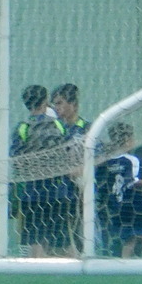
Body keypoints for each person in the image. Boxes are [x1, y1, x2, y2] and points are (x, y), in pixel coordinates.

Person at [9, 84, 66, 257]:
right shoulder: (58, 124)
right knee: (56, 238)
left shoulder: (23, 127)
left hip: (32, 191)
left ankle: (38, 273)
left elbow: (16, 159)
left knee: (35, 238)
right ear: (45, 101)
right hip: (57, 190)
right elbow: (66, 153)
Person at [96, 120, 142, 257]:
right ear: (126, 140)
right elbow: (134, 181)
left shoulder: (105, 162)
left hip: (112, 207)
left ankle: (119, 259)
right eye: (132, 137)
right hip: (132, 206)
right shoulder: (131, 160)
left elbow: (100, 183)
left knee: (119, 238)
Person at [48, 84, 86, 255]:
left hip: (79, 191)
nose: (57, 108)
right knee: (53, 235)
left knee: (77, 232)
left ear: (74, 105)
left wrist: (82, 168)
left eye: (60, 103)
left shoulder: (87, 128)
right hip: (54, 190)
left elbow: (100, 155)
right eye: (54, 104)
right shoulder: (52, 129)